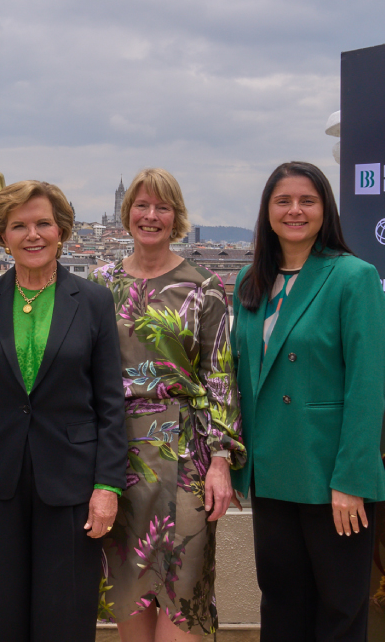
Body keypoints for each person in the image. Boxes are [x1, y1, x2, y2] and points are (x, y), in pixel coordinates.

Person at [0, 180, 129, 642]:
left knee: (65, 613)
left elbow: (110, 403)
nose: (33, 235)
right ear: (2, 236)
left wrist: (107, 486)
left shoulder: (92, 301)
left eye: (43, 223)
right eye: (19, 226)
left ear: (62, 230)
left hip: (72, 483)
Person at [230, 161, 385, 642]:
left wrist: (351, 479)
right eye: (283, 201)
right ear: (267, 211)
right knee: (280, 605)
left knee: (339, 611)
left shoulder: (353, 277)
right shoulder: (247, 281)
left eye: (307, 201)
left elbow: (366, 385)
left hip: (331, 478)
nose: (294, 210)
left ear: (325, 210)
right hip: (272, 472)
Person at [89, 168, 245, 641]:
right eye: (141, 206)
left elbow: (219, 376)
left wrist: (221, 461)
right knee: (128, 593)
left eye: (162, 207)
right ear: (126, 213)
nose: (150, 216)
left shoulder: (204, 286)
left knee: (183, 596)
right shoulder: (99, 284)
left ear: (176, 217)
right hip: (117, 456)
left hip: (187, 456)